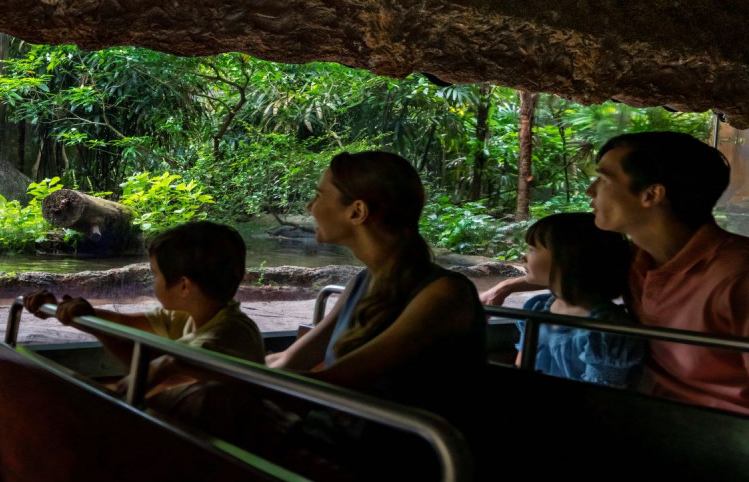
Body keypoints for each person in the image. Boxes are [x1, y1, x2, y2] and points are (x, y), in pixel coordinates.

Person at [482, 131, 749, 414]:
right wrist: (509, 285)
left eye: (605, 179)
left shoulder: (738, 277)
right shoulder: (637, 260)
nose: (591, 191)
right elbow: (573, 268)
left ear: (651, 194)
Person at [266, 151, 485, 424]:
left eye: (320, 196)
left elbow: (335, 381)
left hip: (392, 456)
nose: (311, 207)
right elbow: (290, 360)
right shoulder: (363, 281)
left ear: (357, 211)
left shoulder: (445, 294)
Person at [23, 220, 264, 399]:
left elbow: (158, 369)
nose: (153, 282)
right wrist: (64, 310)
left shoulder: (230, 336)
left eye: (155, 274)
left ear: (183, 286)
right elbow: (121, 325)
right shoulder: (188, 316)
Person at [514, 212, 644, 388]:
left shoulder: (606, 331)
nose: (524, 257)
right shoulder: (536, 307)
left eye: (531, 249)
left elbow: (599, 399)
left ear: (566, 259)